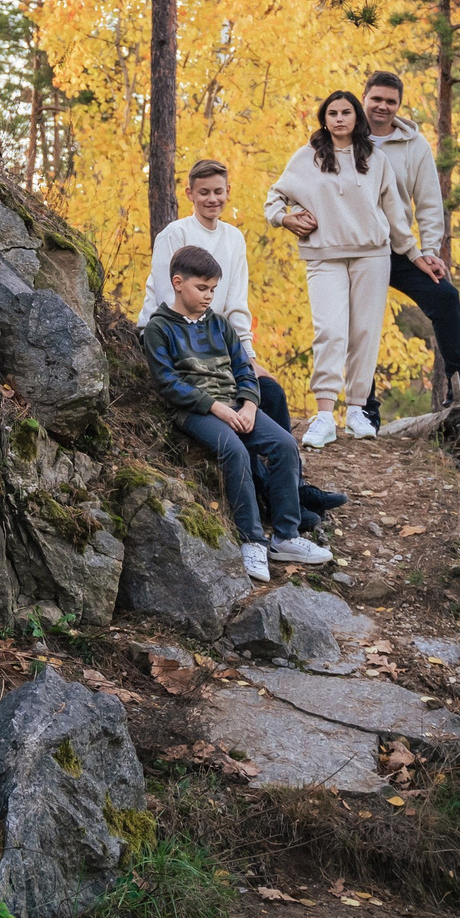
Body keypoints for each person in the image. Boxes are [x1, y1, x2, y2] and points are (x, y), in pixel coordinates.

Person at [141, 244, 332, 582]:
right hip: (194, 410)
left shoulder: (220, 325)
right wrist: (217, 409)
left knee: (285, 443)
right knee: (235, 450)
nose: (208, 296)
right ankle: (252, 540)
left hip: (234, 404)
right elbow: (168, 383)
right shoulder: (159, 328)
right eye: (202, 288)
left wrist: (248, 405)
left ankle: (286, 536)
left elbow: (244, 369)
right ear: (177, 282)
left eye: (213, 289)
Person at [265, 89, 414, 449]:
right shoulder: (306, 159)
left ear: (357, 118)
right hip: (323, 254)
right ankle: (324, 415)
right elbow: (275, 197)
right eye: (332, 113)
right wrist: (285, 219)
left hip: (372, 255)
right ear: (324, 119)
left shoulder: (375, 159)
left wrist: (411, 250)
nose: (339, 119)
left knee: (364, 332)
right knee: (330, 331)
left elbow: (394, 210)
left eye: (346, 112)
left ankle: (358, 410)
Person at [359, 71, 460, 421]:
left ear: (399, 106)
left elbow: (430, 204)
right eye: (376, 98)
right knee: (362, 323)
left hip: (400, 249)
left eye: (391, 101)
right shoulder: (346, 136)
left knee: (445, 297)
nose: (383, 106)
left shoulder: (414, 145)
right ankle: (366, 409)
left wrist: (430, 252)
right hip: (357, 249)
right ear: (364, 98)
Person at [140, 158, 291, 430]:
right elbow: (168, 300)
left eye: (218, 191)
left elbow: (236, 303)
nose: (212, 199)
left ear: (228, 192)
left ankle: (286, 470)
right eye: (204, 192)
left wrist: (247, 357)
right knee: (232, 395)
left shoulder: (234, 239)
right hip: (173, 338)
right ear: (190, 194)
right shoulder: (175, 234)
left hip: (217, 340)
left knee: (270, 392)